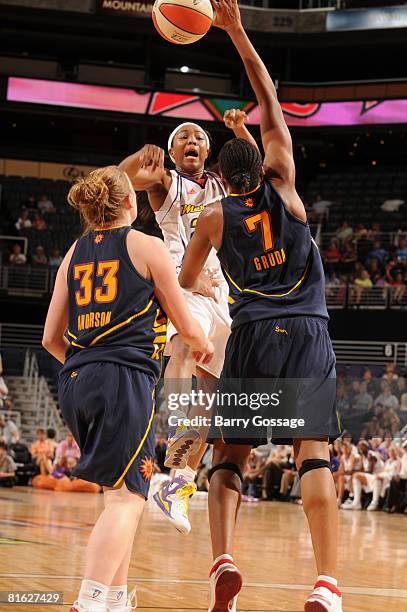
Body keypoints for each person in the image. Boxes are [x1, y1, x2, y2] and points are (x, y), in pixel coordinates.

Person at [177, 2, 342, 610]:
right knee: (312, 455)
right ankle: (326, 582)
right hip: (306, 333)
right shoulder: (287, 188)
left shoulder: (215, 217)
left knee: (229, 460)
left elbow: (189, 280)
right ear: (266, 161)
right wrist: (236, 30)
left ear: (221, 176)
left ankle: (224, 559)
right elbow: (268, 96)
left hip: (250, 336)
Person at [42, 164, 213, 612]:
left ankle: (116, 598)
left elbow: (49, 339)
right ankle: (90, 601)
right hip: (122, 379)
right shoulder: (147, 246)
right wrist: (204, 346)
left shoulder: (74, 252)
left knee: (117, 492)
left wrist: (88, 365)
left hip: (75, 380)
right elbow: (187, 325)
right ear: (131, 203)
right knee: (128, 498)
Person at [119, 109, 256, 533]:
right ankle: (175, 422)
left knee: (213, 395)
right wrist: (137, 160)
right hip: (185, 285)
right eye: (184, 138)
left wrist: (238, 129)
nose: (192, 140)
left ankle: (178, 483)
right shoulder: (166, 185)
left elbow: (253, 168)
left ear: (208, 150)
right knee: (181, 348)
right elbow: (117, 183)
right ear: (174, 153)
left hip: (222, 294)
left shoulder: (222, 184)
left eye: (199, 136)